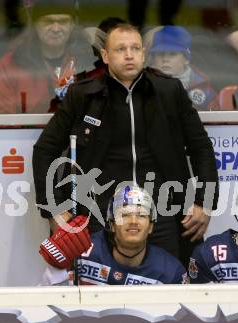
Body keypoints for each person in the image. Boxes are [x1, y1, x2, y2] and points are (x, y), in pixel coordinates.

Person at [32, 23, 219, 266]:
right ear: (106, 56)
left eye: (135, 48)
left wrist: (204, 202)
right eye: (120, 49)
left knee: (171, 285)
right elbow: (44, 151)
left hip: (163, 210)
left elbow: (201, 148)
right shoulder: (83, 95)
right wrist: (55, 209)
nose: (129, 55)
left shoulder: (169, 91)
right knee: (95, 288)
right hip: (98, 213)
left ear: (143, 54)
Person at [42, 185, 188, 286]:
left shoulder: (171, 271)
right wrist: (59, 266)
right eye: (124, 215)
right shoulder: (81, 252)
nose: (133, 221)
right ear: (111, 224)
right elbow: (47, 300)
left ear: (151, 226)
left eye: (141, 215)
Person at [0, 0, 94, 114]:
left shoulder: (88, 62)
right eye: (48, 21)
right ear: (35, 24)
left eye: (63, 21)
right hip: (27, 132)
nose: (56, 29)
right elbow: (1, 120)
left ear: (72, 24)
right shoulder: (11, 63)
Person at [148, 25, 219, 111]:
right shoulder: (143, 86)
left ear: (186, 59)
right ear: (153, 58)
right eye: (160, 53)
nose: (165, 59)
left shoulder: (205, 90)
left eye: (172, 54)